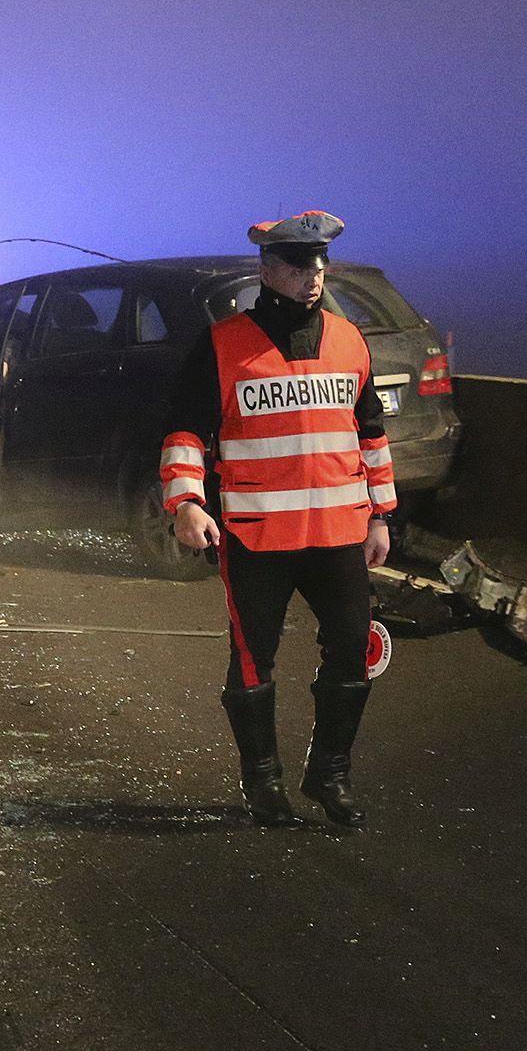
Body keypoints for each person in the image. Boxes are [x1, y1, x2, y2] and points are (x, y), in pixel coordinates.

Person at [157, 210, 396, 827]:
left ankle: (330, 774)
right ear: (266, 269)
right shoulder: (222, 344)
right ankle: (262, 781)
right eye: (296, 264)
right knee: (250, 658)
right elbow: (186, 431)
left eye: (318, 263)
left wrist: (381, 516)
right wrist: (186, 503)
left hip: (340, 533)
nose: (311, 274)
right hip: (256, 535)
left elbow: (369, 432)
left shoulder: (350, 339)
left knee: (352, 651)